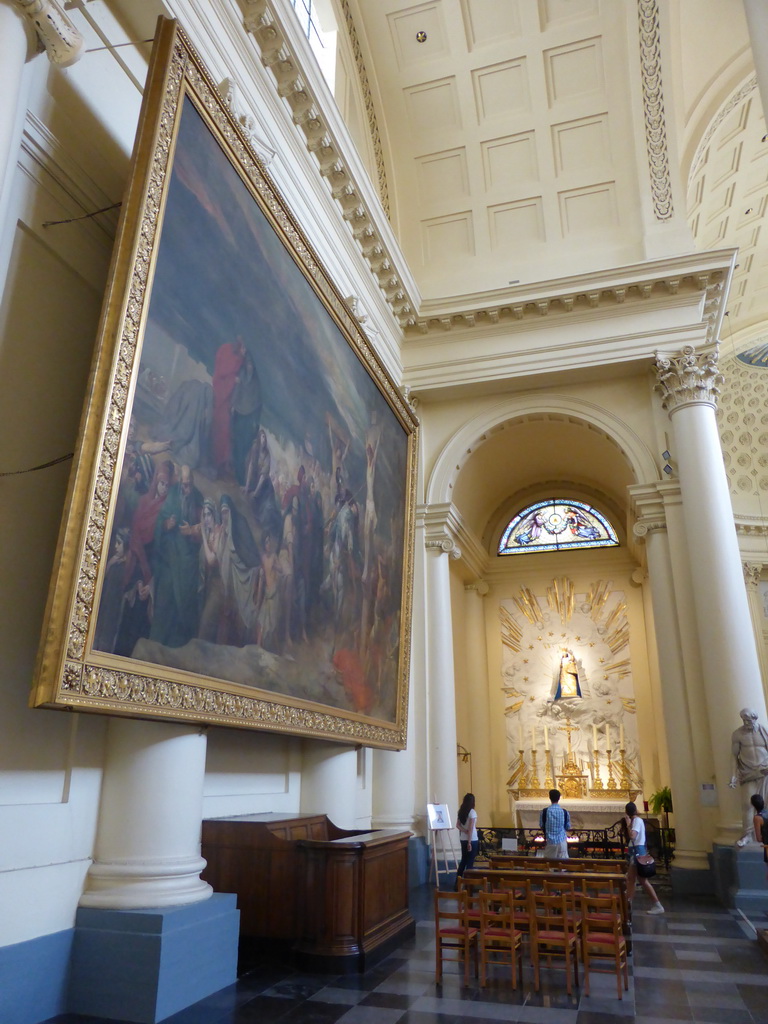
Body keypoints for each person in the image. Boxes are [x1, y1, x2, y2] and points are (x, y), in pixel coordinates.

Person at [729, 708, 768, 846]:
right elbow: (734, 756)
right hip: (748, 773)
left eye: (748, 720)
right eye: (744, 720)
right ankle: (747, 835)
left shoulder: (764, 731)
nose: (746, 722)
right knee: (747, 804)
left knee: (767, 803)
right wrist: (733, 775)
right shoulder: (738, 734)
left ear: (755, 719)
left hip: (765, 771)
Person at [624, 801, 664, 914]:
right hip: (636, 851)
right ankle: (627, 904)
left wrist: (628, 824)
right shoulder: (636, 821)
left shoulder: (636, 821)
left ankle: (657, 905)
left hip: (637, 853)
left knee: (638, 880)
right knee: (632, 880)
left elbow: (633, 836)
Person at [455, 792, 479, 887]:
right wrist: (469, 842)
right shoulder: (472, 812)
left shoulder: (461, 811)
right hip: (472, 840)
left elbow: (457, 825)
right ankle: (468, 885)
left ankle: (457, 883)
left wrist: (464, 831)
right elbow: (471, 828)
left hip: (463, 839)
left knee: (463, 861)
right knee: (470, 862)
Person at [539, 789, 571, 859]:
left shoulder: (544, 811)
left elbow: (542, 825)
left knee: (550, 865)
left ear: (550, 798)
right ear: (559, 798)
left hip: (550, 842)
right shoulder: (564, 812)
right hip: (562, 841)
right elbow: (568, 827)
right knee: (562, 865)